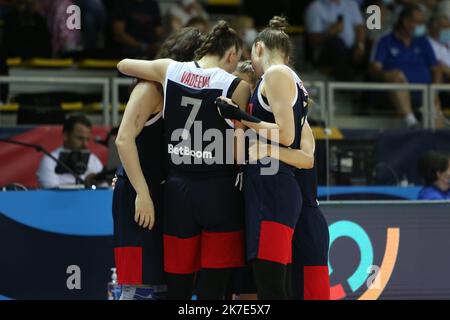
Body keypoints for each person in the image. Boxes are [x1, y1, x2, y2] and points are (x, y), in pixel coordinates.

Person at [117, 21, 251, 300]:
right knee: (211, 291)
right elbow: (240, 153)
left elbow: (123, 65)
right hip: (217, 191)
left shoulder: (170, 72)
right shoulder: (237, 85)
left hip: (176, 191)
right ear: (231, 55)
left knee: (175, 288)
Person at [217, 16, 309, 300]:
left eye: (252, 57)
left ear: (258, 48)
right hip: (271, 188)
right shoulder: (287, 77)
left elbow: (285, 135)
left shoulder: (276, 74)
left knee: (271, 288)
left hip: (273, 189)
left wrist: (242, 117)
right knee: (274, 284)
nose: (253, 67)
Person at [113, 27, 205, 300]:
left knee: (168, 281)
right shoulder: (150, 89)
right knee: (140, 277)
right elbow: (123, 139)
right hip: (140, 192)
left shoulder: (182, 94)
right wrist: (141, 192)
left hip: (165, 194)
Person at [369, 4, 444, 128]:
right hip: (393, 94)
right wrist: (387, 74)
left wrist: (434, 89)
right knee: (397, 77)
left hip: (425, 94)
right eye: (418, 22)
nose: (421, 25)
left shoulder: (423, 41)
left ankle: (438, 139)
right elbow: (374, 68)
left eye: (422, 22)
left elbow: (436, 69)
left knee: (437, 120)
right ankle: (411, 122)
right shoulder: (385, 40)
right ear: (405, 21)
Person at [36, 115, 103, 188]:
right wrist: (86, 185)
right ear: (66, 136)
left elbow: (104, 187)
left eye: (87, 139)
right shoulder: (50, 159)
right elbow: (51, 190)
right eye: (80, 138)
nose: (85, 144)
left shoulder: (93, 159)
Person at [305, 0, 366, 80]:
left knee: (369, 50)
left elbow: (360, 28)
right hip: (325, 54)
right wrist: (329, 33)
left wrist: (360, 45)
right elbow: (313, 40)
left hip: (351, 50)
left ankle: (370, 90)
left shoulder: (351, 4)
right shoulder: (315, 7)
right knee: (336, 43)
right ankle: (346, 88)